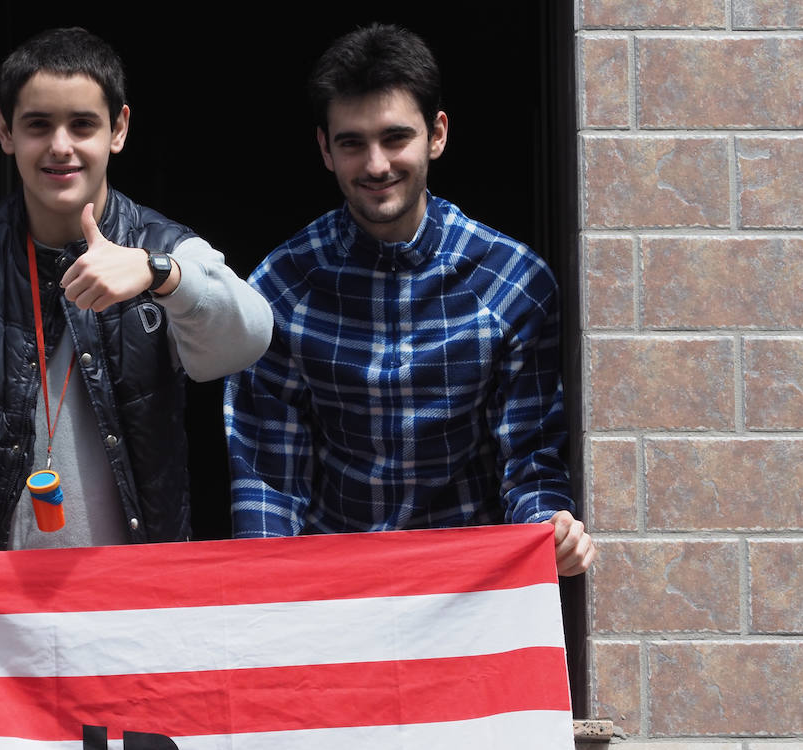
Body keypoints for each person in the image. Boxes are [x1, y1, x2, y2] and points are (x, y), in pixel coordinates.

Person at [0, 27, 272, 578]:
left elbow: (250, 336)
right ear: (4, 130)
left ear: (119, 129)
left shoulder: (163, 248)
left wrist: (161, 274)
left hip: (135, 598)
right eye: (38, 124)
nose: (60, 146)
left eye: (82, 124)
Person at [224, 24, 593, 576]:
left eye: (395, 137)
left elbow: (531, 458)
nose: (376, 165)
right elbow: (269, 482)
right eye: (352, 142)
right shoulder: (278, 288)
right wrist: (270, 596)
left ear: (437, 134)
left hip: (470, 583)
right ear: (325, 148)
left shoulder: (513, 282)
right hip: (337, 581)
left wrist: (552, 531)